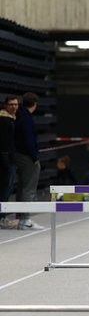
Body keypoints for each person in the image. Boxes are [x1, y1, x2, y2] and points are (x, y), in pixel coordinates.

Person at [14, 92, 43, 230]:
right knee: (28, 188)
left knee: (22, 186)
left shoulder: (19, 115)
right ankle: (25, 219)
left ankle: (21, 218)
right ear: (34, 104)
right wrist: (34, 157)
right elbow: (28, 140)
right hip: (26, 156)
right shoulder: (27, 119)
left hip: (18, 155)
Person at [0, 96, 17, 228]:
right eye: (11, 104)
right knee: (5, 188)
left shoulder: (13, 119)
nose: (14, 107)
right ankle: (2, 218)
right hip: (5, 159)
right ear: (5, 105)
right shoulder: (5, 120)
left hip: (9, 157)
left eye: (16, 104)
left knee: (7, 188)